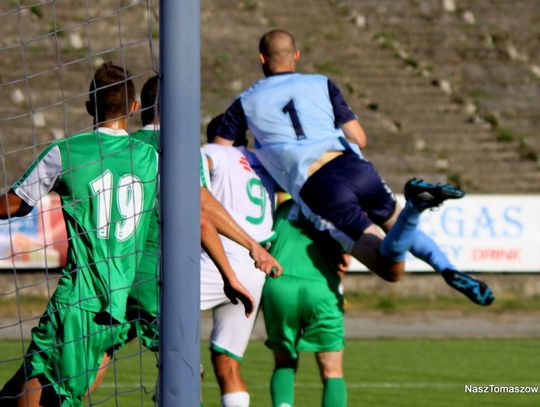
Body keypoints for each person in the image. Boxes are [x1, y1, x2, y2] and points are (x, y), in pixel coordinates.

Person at [213, 29, 494, 306]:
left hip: (318, 186)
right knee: (396, 225)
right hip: (354, 166)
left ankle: (414, 208)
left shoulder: (245, 102)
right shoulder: (322, 83)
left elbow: (220, 151)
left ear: (262, 58)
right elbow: (360, 138)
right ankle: (446, 266)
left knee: (390, 269)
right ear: (296, 56)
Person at [0, 62, 159, 406]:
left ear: (89, 105)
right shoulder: (152, 158)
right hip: (118, 303)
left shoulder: (67, 151)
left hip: (80, 294)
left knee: (39, 373)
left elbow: (14, 204)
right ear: (134, 108)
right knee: (56, 386)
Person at [200, 114, 276, 407]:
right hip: (257, 267)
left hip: (219, 259)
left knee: (149, 307)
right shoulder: (263, 162)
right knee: (227, 362)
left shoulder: (211, 152)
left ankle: (183, 372)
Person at [262, 195, 350, 407]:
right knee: (332, 370)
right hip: (320, 289)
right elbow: (344, 261)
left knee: (284, 362)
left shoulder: (283, 208)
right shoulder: (334, 206)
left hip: (279, 284)